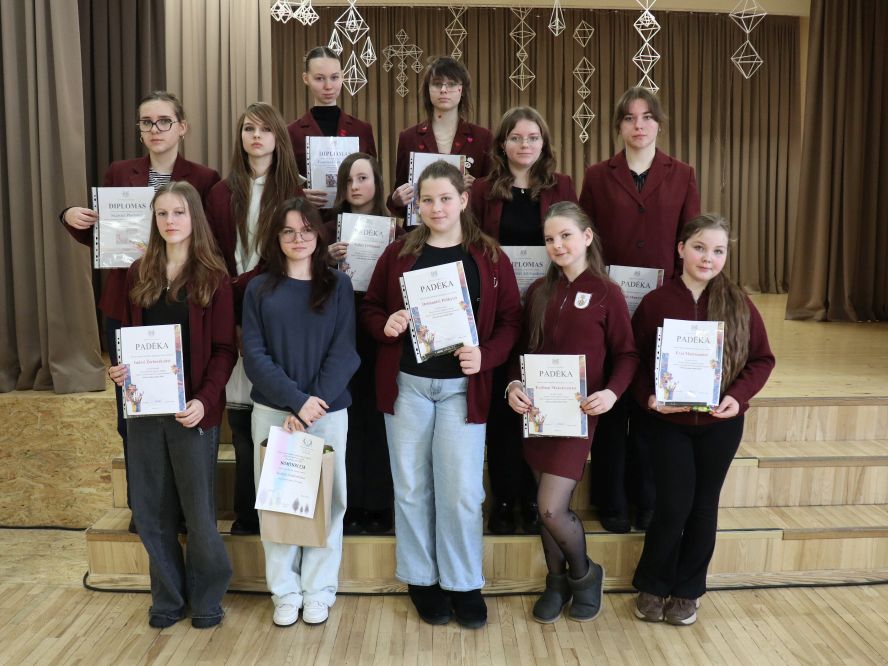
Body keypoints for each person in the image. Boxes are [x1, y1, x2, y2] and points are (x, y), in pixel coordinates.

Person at [361, 161, 521, 629]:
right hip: (407, 386)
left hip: (461, 391)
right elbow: (370, 308)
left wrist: (486, 356)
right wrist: (386, 324)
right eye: (426, 200)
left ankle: (463, 582)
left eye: (445, 198)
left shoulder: (489, 256)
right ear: (416, 204)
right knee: (411, 488)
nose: (436, 208)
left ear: (464, 200)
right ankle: (421, 579)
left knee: (462, 493)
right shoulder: (398, 253)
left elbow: (511, 321)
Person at [61, 91, 220, 533]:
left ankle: (186, 508)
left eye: (164, 121)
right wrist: (71, 217)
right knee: (132, 408)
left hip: (183, 305)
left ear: (182, 127)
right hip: (127, 304)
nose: (155, 129)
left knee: (181, 406)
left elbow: (211, 238)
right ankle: (145, 508)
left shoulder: (204, 178)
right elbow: (105, 237)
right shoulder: (119, 173)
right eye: (147, 122)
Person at [630, 213, 775, 626]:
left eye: (718, 251)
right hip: (669, 424)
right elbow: (633, 360)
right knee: (672, 504)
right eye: (699, 247)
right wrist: (650, 397)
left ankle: (688, 591)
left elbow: (762, 359)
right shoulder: (656, 302)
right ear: (681, 249)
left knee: (703, 506)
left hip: (720, 425)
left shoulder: (740, 303)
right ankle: (653, 584)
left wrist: (737, 398)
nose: (708, 258)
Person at [107, 181, 235, 629]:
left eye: (178, 212)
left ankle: (207, 598)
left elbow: (225, 350)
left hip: (192, 413)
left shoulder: (214, 277)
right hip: (145, 410)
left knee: (198, 514)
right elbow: (125, 338)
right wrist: (120, 370)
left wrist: (204, 400)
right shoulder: (137, 272)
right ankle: (167, 598)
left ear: (193, 217)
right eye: (162, 213)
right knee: (150, 510)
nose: (170, 221)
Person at [506, 202, 638, 624]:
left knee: (550, 508)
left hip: (578, 415)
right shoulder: (538, 292)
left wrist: (611, 393)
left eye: (566, 235)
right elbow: (521, 353)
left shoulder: (607, 292)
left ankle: (584, 574)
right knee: (543, 504)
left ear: (586, 237)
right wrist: (513, 386)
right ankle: (555, 582)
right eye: (550, 239)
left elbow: (628, 354)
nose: (557, 245)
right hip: (538, 413)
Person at [578, 87, 701, 534]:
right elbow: (587, 239)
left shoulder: (682, 174)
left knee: (651, 405)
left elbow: (690, 237)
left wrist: (681, 295)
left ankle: (648, 498)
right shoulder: (597, 175)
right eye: (629, 118)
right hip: (608, 303)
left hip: (662, 305)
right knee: (611, 405)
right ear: (619, 126)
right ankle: (610, 499)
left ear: (659, 124)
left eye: (647, 117)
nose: (638, 125)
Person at [242, 198, 360, 627]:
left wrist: (310, 406)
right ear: (276, 237)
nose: (298, 238)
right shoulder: (259, 288)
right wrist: (295, 401)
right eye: (288, 231)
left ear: (318, 235)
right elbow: (254, 355)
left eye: (306, 230)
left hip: (326, 412)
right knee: (278, 506)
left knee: (328, 502)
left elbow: (345, 352)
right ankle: (285, 592)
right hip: (275, 412)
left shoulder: (338, 285)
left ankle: (319, 590)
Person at [470, 106, 578, 535]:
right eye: (515, 137)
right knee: (503, 406)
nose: (525, 145)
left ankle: (535, 498)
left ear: (544, 143)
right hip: (498, 309)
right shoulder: (483, 189)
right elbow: (472, 246)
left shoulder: (561, 185)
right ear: (502, 144)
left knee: (539, 401)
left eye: (533, 137)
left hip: (545, 305)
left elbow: (572, 242)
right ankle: (504, 498)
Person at [205, 102, 303, 536]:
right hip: (230, 307)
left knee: (276, 415)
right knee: (241, 422)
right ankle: (248, 514)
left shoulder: (293, 192)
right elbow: (211, 252)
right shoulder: (221, 192)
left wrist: (241, 285)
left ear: (278, 137)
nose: (256, 136)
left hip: (276, 308)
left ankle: (282, 514)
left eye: (265, 129)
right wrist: (229, 295)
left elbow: (291, 255)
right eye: (248, 129)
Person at [327, 153, 397, 535]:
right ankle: (351, 503)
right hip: (339, 335)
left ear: (377, 182)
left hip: (379, 333)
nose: (355, 186)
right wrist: (327, 261)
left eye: (363, 178)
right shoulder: (327, 231)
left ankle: (379, 504)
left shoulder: (395, 230)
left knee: (377, 418)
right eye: (348, 180)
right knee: (346, 419)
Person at [388, 56, 492, 218]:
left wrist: (476, 186)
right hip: (420, 228)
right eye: (437, 84)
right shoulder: (408, 138)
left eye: (451, 84)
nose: (444, 90)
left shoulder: (482, 137)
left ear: (462, 90)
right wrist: (397, 200)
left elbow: (492, 196)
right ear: (428, 90)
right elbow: (400, 199)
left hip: (465, 227)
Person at [288, 46, 377, 210]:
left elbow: (375, 180)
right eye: (319, 78)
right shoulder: (292, 132)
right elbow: (280, 183)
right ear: (306, 78)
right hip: (308, 219)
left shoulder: (362, 130)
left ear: (342, 76)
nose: (328, 86)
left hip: (354, 218)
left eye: (334, 77)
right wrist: (298, 194)